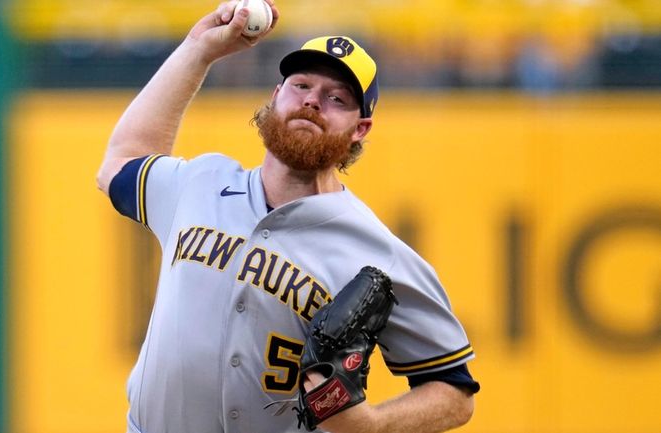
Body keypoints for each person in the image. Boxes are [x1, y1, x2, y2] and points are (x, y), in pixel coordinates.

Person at [97, 1, 480, 432]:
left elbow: (454, 391)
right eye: (301, 85)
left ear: (360, 129)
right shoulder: (200, 184)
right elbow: (122, 162)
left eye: (337, 97)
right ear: (276, 96)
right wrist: (198, 50)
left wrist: (373, 426)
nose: (313, 101)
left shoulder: (378, 253)